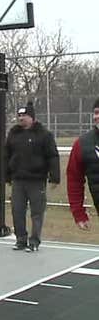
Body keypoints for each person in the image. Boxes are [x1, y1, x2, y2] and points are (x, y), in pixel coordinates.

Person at [6, 102, 60, 252]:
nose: (21, 118)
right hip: (18, 180)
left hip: (36, 180)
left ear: (32, 117)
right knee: (17, 210)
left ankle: (34, 241)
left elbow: (52, 156)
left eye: (24, 115)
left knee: (37, 212)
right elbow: (7, 155)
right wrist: (7, 175)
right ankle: (20, 239)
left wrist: (54, 177)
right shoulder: (13, 134)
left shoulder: (44, 134)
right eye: (19, 115)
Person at [66, 98, 99, 231]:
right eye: (96, 112)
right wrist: (78, 213)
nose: (98, 117)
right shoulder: (82, 144)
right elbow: (74, 179)